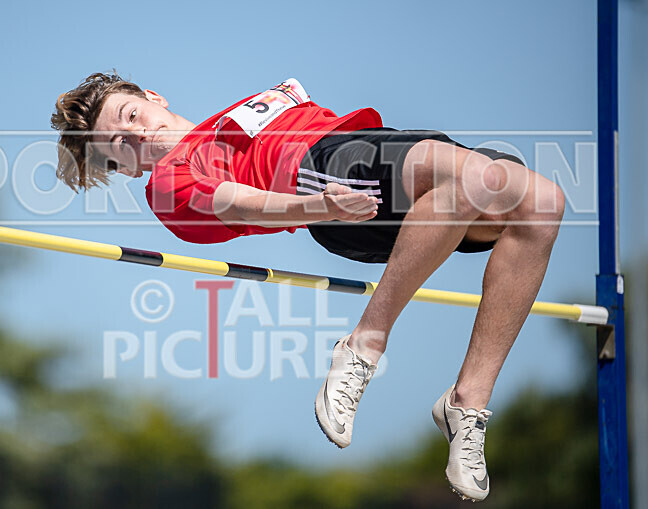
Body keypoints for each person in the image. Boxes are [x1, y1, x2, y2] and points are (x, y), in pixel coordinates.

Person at [50, 71, 565, 502]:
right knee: (473, 180)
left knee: (542, 205)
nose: (138, 134)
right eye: (120, 145)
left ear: (153, 97)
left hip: (369, 149)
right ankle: (363, 346)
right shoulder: (169, 182)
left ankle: (467, 403)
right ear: (124, 169)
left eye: (132, 116)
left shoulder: (238, 108)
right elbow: (244, 205)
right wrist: (319, 206)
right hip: (323, 173)